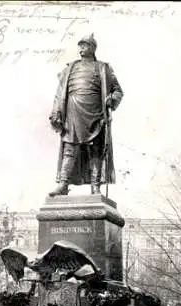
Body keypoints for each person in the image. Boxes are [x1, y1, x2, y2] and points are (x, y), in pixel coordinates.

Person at [49, 34, 123, 196]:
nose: (81, 49)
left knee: (96, 150)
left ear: (93, 48)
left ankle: (95, 186)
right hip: (73, 112)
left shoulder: (103, 68)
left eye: (85, 45)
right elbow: (59, 93)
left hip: (96, 114)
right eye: (80, 45)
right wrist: (56, 113)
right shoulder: (70, 68)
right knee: (70, 148)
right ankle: (63, 184)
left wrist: (112, 100)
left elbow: (118, 91)